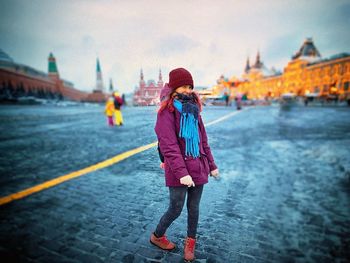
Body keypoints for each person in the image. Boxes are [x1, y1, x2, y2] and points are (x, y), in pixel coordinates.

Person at [151, 68, 219, 262]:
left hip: (198, 165)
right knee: (175, 208)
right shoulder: (166, 112)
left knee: (194, 208)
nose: (188, 90)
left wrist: (212, 165)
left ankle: (190, 243)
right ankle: (157, 236)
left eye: (190, 86)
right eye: (184, 86)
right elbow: (169, 145)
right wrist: (182, 173)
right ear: (174, 88)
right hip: (178, 170)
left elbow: (203, 141)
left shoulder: (194, 110)